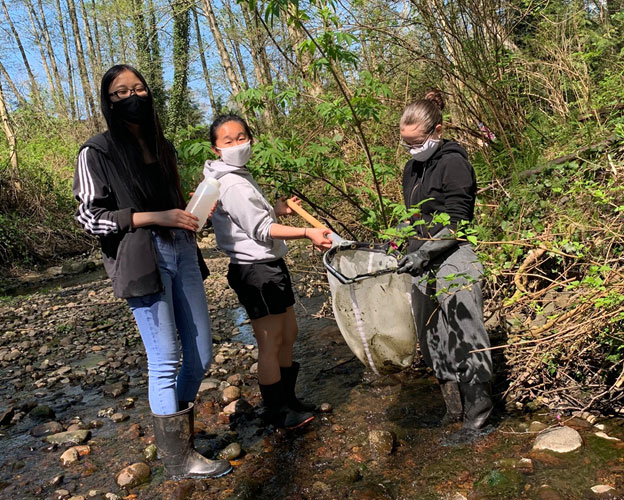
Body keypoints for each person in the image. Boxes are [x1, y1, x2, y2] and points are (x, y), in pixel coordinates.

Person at [72, 64, 231, 479]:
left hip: (182, 249)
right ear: (108, 102)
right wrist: (151, 216)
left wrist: (199, 212)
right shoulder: (97, 152)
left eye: (138, 89)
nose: (132, 97)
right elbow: (90, 218)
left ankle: (175, 434)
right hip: (141, 256)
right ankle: (179, 459)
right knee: (165, 359)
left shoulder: (164, 146)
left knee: (200, 355)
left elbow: (177, 208)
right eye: (121, 93)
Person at [203, 114, 332, 430]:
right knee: (271, 342)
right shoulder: (231, 182)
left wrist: (278, 210)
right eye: (228, 141)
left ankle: (288, 400)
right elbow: (260, 230)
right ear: (216, 149)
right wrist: (306, 233)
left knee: (289, 334)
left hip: (268, 265)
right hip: (254, 270)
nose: (237, 145)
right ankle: (277, 411)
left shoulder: (238, 175)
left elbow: (248, 218)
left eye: (242, 137)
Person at [396, 90, 493, 443]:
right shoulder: (412, 167)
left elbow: (459, 221)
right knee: (432, 337)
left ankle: (478, 420)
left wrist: (428, 250)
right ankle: (453, 412)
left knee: (469, 336)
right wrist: (401, 243)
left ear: (437, 131)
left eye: (416, 142)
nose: (411, 149)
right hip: (421, 257)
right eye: (405, 144)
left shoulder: (453, 162)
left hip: (454, 256)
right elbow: (413, 216)